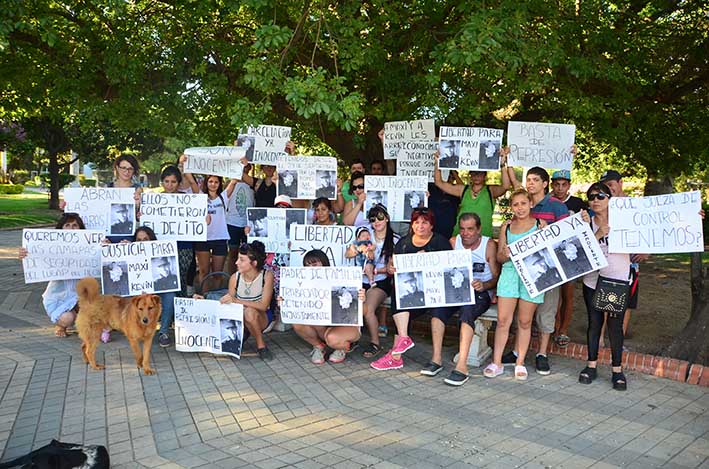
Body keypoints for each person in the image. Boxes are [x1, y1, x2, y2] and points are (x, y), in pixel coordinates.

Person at [370, 207, 453, 372]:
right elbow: (392, 264)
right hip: (413, 295)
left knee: (435, 311)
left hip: (435, 294)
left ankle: (430, 358)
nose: (420, 226)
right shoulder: (404, 242)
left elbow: (450, 269)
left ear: (431, 225)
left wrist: (428, 260)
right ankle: (398, 350)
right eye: (416, 222)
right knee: (400, 295)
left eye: (425, 222)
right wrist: (391, 267)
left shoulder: (440, 242)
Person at [507, 164, 568, 375]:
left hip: (548, 270)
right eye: (528, 180)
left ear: (544, 184)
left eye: (535, 180)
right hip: (524, 271)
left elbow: (566, 238)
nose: (530, 183)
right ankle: (516, 352)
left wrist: (548, 231)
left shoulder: (557, 206)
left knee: (545, 313)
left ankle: (542, 353)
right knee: (522, 316)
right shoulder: (524, 206)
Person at [484, 189, 546, 381]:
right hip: (510, 274)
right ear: (511, 207)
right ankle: (497, 362)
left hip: (533, 274)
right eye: (515, 204)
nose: (520, 208)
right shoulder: (507, 227)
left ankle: (520, 363)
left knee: (525, 322)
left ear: (530, 204)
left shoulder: (540, 225)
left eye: (523, 204)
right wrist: (507, 253)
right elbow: (500, 258)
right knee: (503, 320)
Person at [578, 182, 630, 390]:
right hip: (593, 280)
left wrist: (690, 218)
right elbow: (577, 253)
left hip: (617, 279)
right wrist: (598, 234)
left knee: (615, 326)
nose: (596, 200)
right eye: (591, 197)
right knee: (594, 323)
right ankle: (591, 366)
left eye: (600, 196)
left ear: (610, 198)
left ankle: (617, 369)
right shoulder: (585, 223)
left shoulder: (626, 221)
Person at [444, 212, 499, 386]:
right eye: (462, 229)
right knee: (438, 311)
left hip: (481, 292)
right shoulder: (454, 242)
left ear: (479, 229)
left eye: (470, 229)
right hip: (457, 291)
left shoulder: (488, 245)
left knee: (468, 309)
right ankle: (435, 359)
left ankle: (462, 365)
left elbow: (497, 277)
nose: (466, 233)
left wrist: (485, 285)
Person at [286, 250, 363, 364]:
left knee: (331, 338)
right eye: (307, 266)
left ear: (324, 263)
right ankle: (319, 346)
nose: (311, 268)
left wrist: (361, 297)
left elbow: (359, 308)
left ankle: (342, 347)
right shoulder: (303, 284)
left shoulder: (340, 279)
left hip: (345, 325)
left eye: (315, 264)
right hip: (322, 324)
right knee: (297, 323)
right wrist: (286, 301)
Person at [345, 204, 400, 358]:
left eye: (380, 217)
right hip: (359, 279)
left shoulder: (395, 240)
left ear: (387, 218)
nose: (377, 221)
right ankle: (352, 337)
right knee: (348, 303)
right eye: (373, 219)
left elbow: (392, 267)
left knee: (368, 308)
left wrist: (376, 270)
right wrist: (357, 249)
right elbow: (347, 254)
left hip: (381, 281)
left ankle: (375, 343)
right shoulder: (365, 234)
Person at [18, 213, 85, 338]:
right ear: (61, 228)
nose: (71, 228)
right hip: (58, 298)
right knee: (68, 318)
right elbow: (38, 258)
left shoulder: (88, 246)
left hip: (80, 296)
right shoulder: (52, 247)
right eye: (67, 225)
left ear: (81, 228)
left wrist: (105, 247)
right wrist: (25, 255)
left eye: (75, 225)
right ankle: (60, 325)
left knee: (96, 312)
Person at [599, 169, 645, 339]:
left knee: (626, 304)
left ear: (620, 183)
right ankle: (601, 339)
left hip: (631, 263)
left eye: (611, 185)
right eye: (605, 186)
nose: (609, 189)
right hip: (607, 262)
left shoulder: (636, 205)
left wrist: (647, 251)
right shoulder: (601, 203)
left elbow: (652, 230)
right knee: (605, 302)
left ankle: (618, 341)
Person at [218, 241, 275, 360]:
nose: (236, 262)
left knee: (249, 312)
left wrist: (236, 301)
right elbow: (229, 303)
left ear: (254, 263)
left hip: (261, 316)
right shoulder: (235, 278)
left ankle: (261, 346)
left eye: (242, 260)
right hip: (240, 316)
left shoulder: (266, 276)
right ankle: (242, 334)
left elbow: (264, 306)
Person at [434, 151, 511, 238]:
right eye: (474, 173)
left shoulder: (490, 190)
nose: (476, 175)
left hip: (483, 237)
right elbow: (439, 182)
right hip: (461, 236)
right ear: (470, 175)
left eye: (479, 173)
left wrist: (502, 165)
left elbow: (506, 186)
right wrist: (438, 162)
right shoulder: (463, 189)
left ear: (485, 175)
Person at [551, 170, 588, 348]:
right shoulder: (546, 202)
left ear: (569, 185)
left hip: (570, 255)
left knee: (568, 294)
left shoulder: (578, 204)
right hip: (551, 255)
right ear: (551, 185)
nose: (560, 188)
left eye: (563, 184)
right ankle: (555, 327)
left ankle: (564, 330)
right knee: (553, 295)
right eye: (556, 184)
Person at [132, 226, 179, 348]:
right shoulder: (130, 254)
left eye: (145, 239)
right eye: (139, 240)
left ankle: (163, 332)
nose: (142, 243)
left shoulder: (160, 254)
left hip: (158, 292)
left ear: (151, 240)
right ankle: (137, 330)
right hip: (139, 292)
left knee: (170, 296)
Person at [161, 161, 200, 297]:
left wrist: (203, 218)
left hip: (184, 246)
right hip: (162, 246)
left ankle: (180, 311)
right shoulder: (154, 200)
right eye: (166, 181)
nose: (170, 185)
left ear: (178, 183)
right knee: (164, 279)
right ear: (162, 182)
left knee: (182, 279)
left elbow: (197, 194)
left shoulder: (186, 199)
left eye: (173, 182)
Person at [194, 174, 238, 291]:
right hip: (203, 238)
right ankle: (205, 296)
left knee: (217, 274)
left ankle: (215, 298)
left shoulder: (223, 197)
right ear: (206, 183)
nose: (213, 184)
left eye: (216, 182)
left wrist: (241, 165)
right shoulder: (200, 196)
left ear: (220, 184)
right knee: (204, 271)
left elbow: (234, 181)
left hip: (220, 238)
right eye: (210, 181)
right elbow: (191, 181)